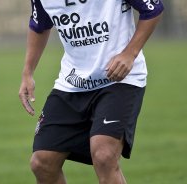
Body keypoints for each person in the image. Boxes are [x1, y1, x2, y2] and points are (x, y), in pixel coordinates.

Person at [19, 0, 164, 183]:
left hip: (119, 79)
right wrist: (28, 72)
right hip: (72, 82)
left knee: (104, 156)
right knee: (42, 162)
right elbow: (39, 25)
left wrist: (129, 54)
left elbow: (153, 9)